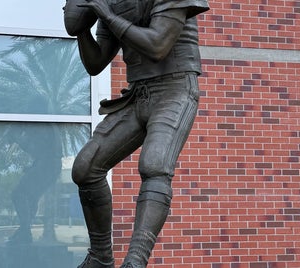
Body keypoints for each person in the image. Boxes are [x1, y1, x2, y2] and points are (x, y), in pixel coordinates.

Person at [68, 0, 209, 267]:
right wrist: (81, 29)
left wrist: (107, 16)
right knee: (85, 168)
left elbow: (158, 45)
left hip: (175, 87)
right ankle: (100, 256)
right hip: (137, 95)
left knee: (154, 165)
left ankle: (135, 260)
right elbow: (96, 63)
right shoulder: (111, 2)